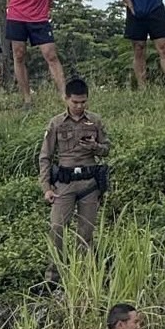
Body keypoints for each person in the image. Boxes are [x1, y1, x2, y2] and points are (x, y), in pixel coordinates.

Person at [38, 77, 110, 284]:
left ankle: (84, 276)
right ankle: (53, 278)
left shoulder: (95, 121)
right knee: (57, 227)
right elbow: (45, 156)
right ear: (66, 99)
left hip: (89, 183)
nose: (79, 106)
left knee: (85, 233)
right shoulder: (56, 123)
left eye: (83, 102)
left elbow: (107, 149)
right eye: (75, 102)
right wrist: (46, 187)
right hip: (65, 183)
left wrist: (95, 147)